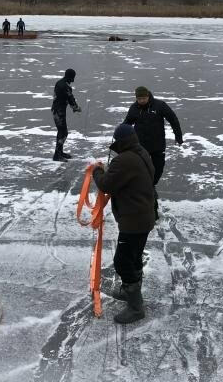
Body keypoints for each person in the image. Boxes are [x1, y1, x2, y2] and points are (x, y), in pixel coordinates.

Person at [92, 124, 156, 324]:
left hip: (134, 220)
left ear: (121, 142)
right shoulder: (142, 152)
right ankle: (130, 293)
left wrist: (97, 171)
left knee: (122, 261)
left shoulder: (125, 160)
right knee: (133, 257)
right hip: (144, 215)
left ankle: (136, 307)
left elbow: (106, 185)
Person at [123, 86, 183, 186]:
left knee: (158, 170)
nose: (141, 101)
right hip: (140, 146)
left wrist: (178, 136)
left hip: (157, 145)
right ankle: (146, 190)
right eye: (139, 99)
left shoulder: (160, 105)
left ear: (148, 96)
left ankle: (151, 186)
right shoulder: (134, 108)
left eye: (143, 98)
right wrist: (120, 136)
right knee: (140, 170)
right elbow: (127, 123)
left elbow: (173, 120)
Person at [51, 68, 81, 161]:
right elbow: (71, 99)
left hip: (56, 110)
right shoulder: (66, 87)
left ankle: (60, 152)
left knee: (62, 132)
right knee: (63, 132)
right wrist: (76, 108)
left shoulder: (59, 82)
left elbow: (67, 98)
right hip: (59, 112)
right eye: (73, 77)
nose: (73, 80)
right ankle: (57, 155)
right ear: (70, 77)